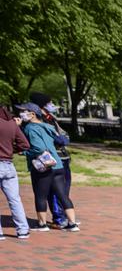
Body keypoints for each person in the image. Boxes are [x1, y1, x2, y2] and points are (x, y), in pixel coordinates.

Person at [19, 103, 80, 232]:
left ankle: (42, 224)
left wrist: (24, 152)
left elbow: (38, 148)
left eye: (23, 111)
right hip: (58, 164)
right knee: (63, 195)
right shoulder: (48, 126)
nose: (21, 114)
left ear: (32, 114)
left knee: (40, 195)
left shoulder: (30, 128)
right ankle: (73, 223)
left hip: (43, 166)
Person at [30, 93, 71, 228]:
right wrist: (59, 139)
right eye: (49, 103)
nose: (52, 105)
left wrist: (63, 138)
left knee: (63, 190)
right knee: (53, 191)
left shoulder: (51, 118)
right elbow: (53, 138)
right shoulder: (38, 120)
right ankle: (59, 218)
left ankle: (66, 217)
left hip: (63, 158)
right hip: (51, 159)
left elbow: (63, 135)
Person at [0, 106, 32, 240]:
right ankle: (23, 230)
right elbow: (25, 145)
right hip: (8, 165)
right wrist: (11, 150)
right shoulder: (12, 124)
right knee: (14, 199)